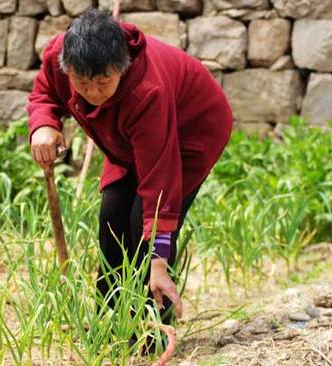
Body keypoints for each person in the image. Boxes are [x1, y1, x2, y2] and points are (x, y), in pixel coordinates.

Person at [26, 7, 233, 347]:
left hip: (191, 130)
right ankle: (112, 323)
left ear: (121, 66)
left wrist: (159, 263)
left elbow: (161, 184)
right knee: (112, 215)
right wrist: (45, 124)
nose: (92, 92)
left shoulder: (147, 90)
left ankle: (152, 333)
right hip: (126, 135)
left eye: (103, 81)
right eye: (81, 83)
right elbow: (45, 93)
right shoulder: (59, 58)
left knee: (142, 224)